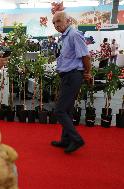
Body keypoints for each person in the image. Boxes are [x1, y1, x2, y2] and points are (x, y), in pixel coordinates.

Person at [52, 11, 92, 153]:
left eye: (58, 21)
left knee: (59, 110)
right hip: (67, 76)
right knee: (67, 110)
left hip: (73, 75)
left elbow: (85, 56)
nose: (56, 25)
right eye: (54, 22)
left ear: (67, 20)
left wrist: (87, 73)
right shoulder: (64, 37)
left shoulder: (74, 34)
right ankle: (65, 140)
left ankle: (76, 139)